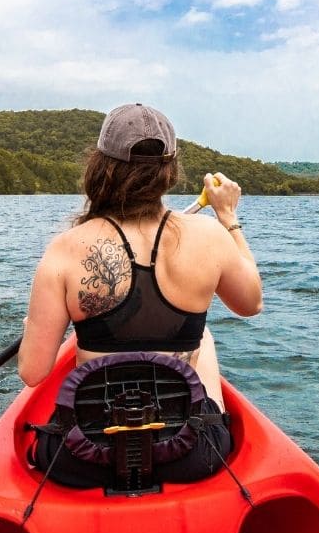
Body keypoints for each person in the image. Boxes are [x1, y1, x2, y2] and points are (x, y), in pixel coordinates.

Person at [18, 103, 262, 486]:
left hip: (83, 458)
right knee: (203, 335)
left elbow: (33, 373)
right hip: (193, 452)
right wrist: (228, 219)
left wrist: (35, 325)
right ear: (170, 171)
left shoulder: (65, 248)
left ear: (100, 166)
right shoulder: (209, 236)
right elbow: (251, 303)